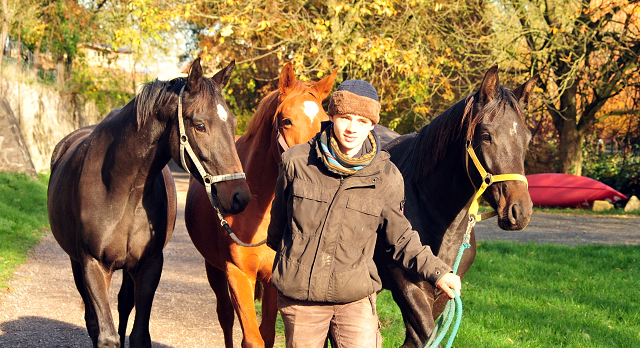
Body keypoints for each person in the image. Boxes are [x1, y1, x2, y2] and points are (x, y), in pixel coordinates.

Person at [266, 79, 461, 348]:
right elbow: (278, 229)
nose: (351, 128)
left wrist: (439, 273)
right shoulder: (296, 162)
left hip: (355, 300)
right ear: (331, 116)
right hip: (302, 300)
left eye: (361, 120)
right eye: (345, 117)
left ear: (372, 124)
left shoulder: (387, 176)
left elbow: (401, 239)